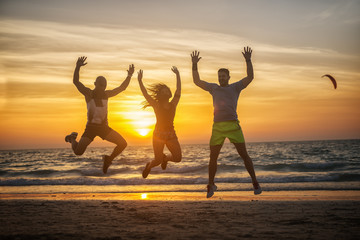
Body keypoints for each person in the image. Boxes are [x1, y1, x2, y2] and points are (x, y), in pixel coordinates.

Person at [191, 47, 262, 198]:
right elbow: (197, 81)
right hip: (217, 127)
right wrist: (194, 64)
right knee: (213, 157)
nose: (221, 78)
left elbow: (250, 77)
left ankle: (255, 182)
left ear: (229, 77)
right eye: (219, 76)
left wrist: (248, 60)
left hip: (233, 125)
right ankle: (210, 185)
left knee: (244, 155)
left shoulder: (235, 87)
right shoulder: (213, 88)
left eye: (223, 76)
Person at [65, 56, 134, 174]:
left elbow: (122, 88)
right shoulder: (88, 93)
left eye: (104, 85)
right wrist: (77, 67)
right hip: (90, 128)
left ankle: (108, 159)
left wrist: (129, 76)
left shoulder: (107, 94)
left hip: (104, 128)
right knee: (78, 152)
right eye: (100, 84)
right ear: (95, 84)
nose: (102, 87)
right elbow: (76, 82)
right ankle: (72, 139)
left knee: (123, 144)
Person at [137, 67, 182, 178]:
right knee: (157, 160)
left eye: (167, 90)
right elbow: (146, 94)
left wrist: (177, 75)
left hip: (171, 134)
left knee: (178, 158)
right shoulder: (157, 105)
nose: (166, 92)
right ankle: (148, 167)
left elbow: (178, 90)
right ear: (160, 95)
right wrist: (140, 81)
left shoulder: (173, 104)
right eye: (163, 91)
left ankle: (165, 159)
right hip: (158, 134)